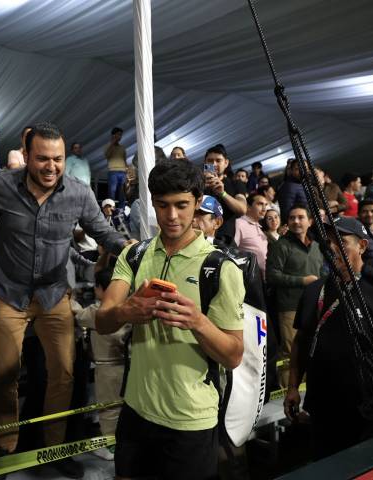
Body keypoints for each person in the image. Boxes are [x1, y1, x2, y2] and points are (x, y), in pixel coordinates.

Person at [0, 122, 129, 479]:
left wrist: (132, 249)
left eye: (58, 159)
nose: (51, 166)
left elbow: (103, 232)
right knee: (4, 371)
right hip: (8, 292)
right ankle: (7, 444)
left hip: (54, 294)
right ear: (26, 156)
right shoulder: (2, 185)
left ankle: (54, 448)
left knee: (64, 373)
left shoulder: (79, 193)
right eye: (42, 159)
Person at [96, 159, 244, 480]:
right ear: (152, 202)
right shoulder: (134, 255)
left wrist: (198, 322)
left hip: (190, 421)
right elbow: (102, 321)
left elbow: (233, 356)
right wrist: (125, 311)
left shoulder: (220, 268)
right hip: (136, 410)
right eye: (163, 205)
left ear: (197, 202)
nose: (172, 216)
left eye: (182, 205)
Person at [285, 216, 373, 460]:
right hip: (323, 404)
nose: (331, 248)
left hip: (369, 408)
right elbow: (301, 341)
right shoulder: (315, 290)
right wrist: (292, 387)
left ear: (362, 246)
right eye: (327, 242)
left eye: (341, 242)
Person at [71, 266, 129, 461]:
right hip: (127, 365)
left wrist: (70, 299)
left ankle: (110, 448)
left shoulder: (98, 311)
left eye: (96, 287)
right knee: (122, 408)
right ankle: (122, 443)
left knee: (108, 409)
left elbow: (78, 315)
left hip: (107, 367)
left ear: (103, 289)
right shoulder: (128, 307)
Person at [266, 204, 323, 386]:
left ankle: (308, 391)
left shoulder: (317, 246)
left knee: (311, 350)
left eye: (300, 217)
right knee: (290, 352)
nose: (296, 221)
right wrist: (302, 281)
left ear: (310, 221)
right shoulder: (281, 245)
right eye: (292, 218)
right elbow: (271, 276)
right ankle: (287, 392)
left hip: (314, 306)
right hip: (289, 307)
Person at [202, 144, 247, 245]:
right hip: (198, 236)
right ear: (205, 163)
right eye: (210, 161)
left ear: (226, 163)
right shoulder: (197, 184)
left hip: (224, 240)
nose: (214, 164)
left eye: (218, 160)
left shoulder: (236, 184)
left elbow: (242, 209)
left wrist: (223, 193)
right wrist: (201, 187)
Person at [234, 194, 269, 276]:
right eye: (260, 204)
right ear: (248, 207)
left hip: (264, 278)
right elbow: (232, 252)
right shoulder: (239, 223)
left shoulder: (260, 229)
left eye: (266, 205)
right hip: (247, 277)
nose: (264, 209)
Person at [276, 159, 308, 225]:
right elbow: (286, 212)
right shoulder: (288, 186)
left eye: (305, 168)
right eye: (297, 169)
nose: (302, 171)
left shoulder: (303, 184)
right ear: (291, 171)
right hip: (299, 225)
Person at [105, 127, 128, 206]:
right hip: (113, 172)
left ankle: (121, 210)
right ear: (113, 135)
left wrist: (127, 170)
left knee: (122, 193)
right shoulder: (108, 146)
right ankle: (111, 210)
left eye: (121, 135)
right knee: (112, 192)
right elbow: (107, 155)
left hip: (123, 172)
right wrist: (112, 143)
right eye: (118, 134)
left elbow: (124, 159)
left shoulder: (122, 147)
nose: (120, 136)